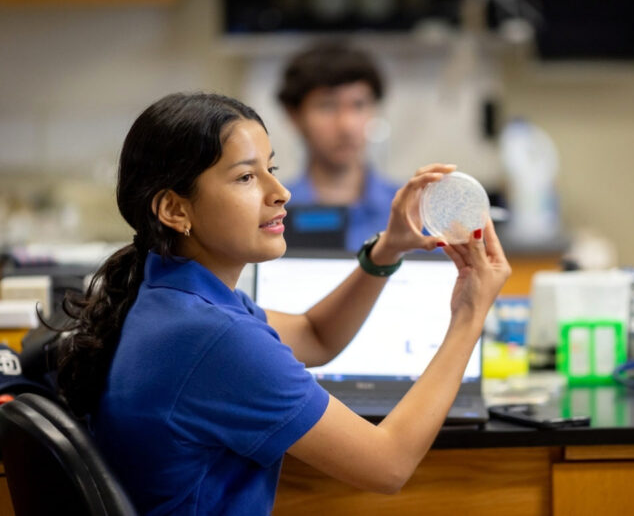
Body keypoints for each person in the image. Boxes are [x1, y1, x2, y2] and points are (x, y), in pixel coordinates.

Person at [57, 92, 510, 515]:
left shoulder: (171, 300)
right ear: (175, 210)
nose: (280, 192)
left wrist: (386, 250)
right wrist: (470, 315)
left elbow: (317, 335)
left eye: (271, 168)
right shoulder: (213, 338)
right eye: (247, 177)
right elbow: (388, 464)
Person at [277, 41, 399, 251]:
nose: (347, 125)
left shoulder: (410, 212)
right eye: (327, 106)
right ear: (294, 115)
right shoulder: (273, 213)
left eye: (359, 105)